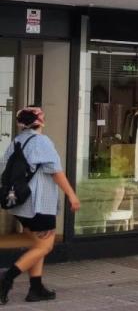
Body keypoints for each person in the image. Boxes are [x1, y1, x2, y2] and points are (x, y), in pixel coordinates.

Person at [0, 108, 80, 304]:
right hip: (39, 204)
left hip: (20, 204)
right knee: (45, 245)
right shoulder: (42, 142)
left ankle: (36, 288)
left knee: (37, 244)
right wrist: (72, 195)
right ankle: (6, 279)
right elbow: (56, 172)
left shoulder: (17, 141)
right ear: (40, 122)